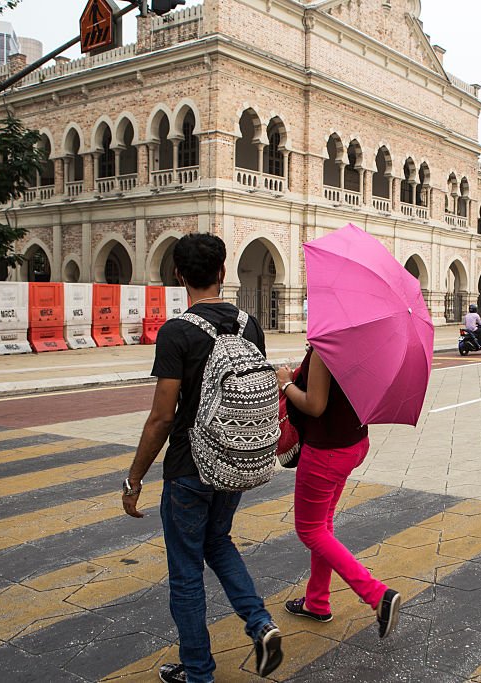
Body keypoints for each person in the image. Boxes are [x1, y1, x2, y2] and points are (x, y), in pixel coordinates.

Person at [123, 234, 283, 683]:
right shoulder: (251, 327)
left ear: (178, 276)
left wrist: (135, 477)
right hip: (233, 463)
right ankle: (260, 624)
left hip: (188, 471)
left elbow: (161, 417)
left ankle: (198, 673)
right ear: (223, 272)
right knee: (219, 542)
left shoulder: (176, 333)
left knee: (186, 574)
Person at [275, 347, 402, 640]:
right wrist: (297, 376)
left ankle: (377, 595)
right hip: (353, 443)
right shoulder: (363, 346)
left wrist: (285, 384)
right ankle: (317, 602)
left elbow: (315, 405)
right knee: (323, 525)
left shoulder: (327, 347)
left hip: (326, 451)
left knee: (309, 530)